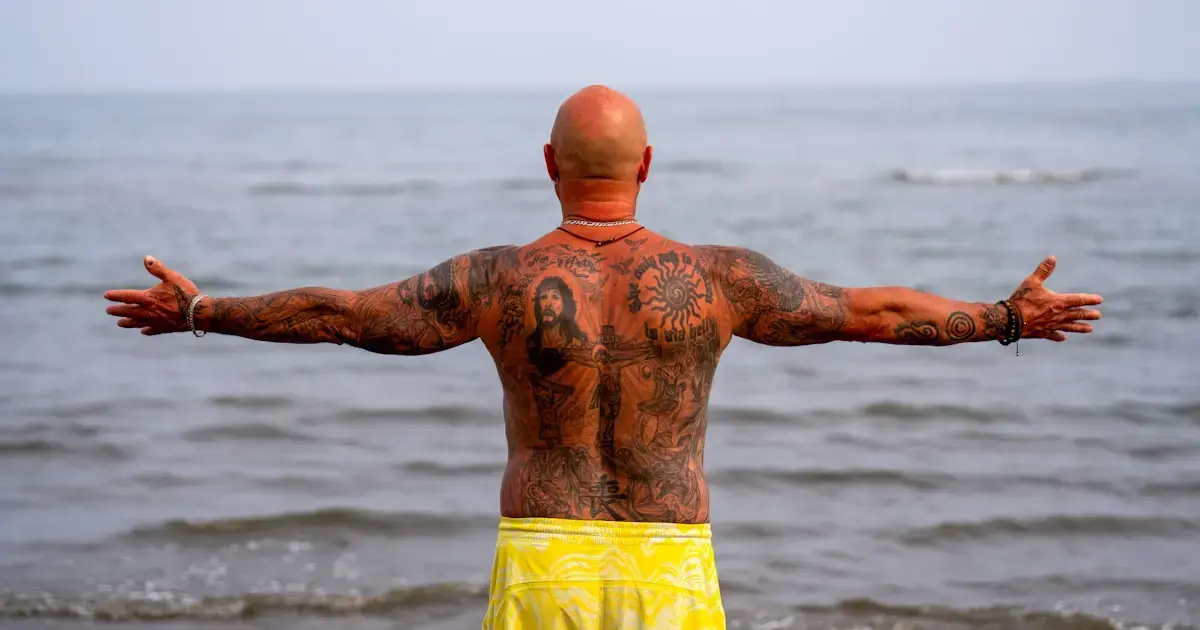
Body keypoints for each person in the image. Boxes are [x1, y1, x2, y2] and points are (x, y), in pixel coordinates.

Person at [103, 85, 1104, 629]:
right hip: (671, 564)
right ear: (648, 166)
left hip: (545, 557)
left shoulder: (495, 278)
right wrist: (1002, 319)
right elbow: (865, 312)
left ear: (548, 165)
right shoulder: (720, 278)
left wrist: (203, 311)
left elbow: (346, 316)